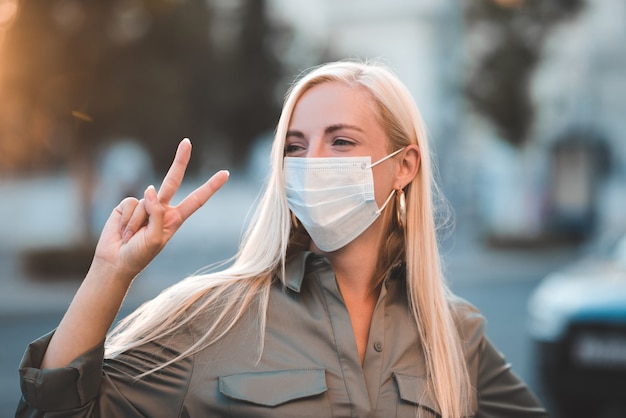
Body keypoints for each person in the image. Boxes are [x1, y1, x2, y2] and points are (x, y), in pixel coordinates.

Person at [16, 61, 549, 418]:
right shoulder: (211, 317)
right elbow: (54, 410)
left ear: (404, 165)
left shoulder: (455, 334)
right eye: (296, 146)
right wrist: (112, 271)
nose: (311, 162)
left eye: (340, 141)